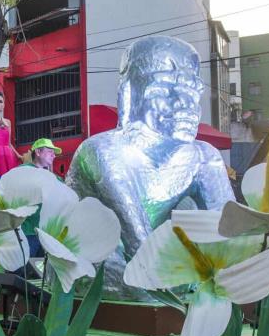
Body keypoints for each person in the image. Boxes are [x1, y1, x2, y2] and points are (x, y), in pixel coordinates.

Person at [66, 36, 235, 297]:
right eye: (165, 89)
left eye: (191, 91)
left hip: (165, 265)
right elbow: (139, 246)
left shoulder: (204, 157)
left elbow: (232, 237)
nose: (184, 104)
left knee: (192, 220)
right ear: (129, 94)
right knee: (114, 271)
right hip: (106, 259)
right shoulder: (103, 151)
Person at [19, 138, 62, 258]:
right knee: (24, 270)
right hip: (27, 232)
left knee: (40, 272)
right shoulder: (22, 172)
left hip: (46, 235)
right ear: (38, 152)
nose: (54, 155)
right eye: (50, 151)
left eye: (54, 153)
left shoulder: (55, 178)